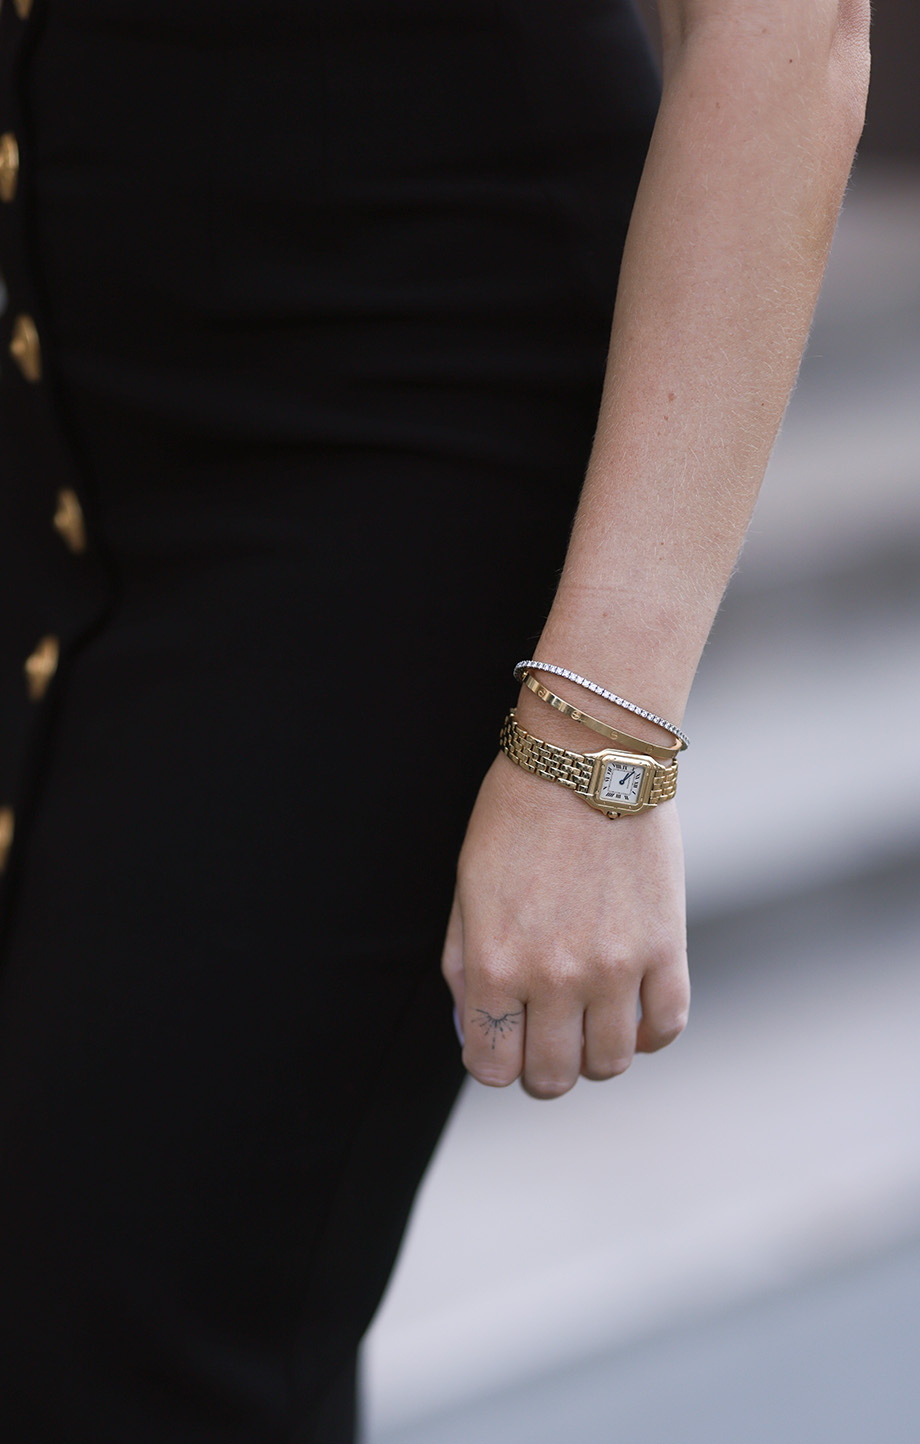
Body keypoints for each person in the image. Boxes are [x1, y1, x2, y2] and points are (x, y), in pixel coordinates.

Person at [0, 0, 869, 1440]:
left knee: (107, 1326)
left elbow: (786, 35)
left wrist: (599, 746)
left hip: (394, 447)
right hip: (62, 408)